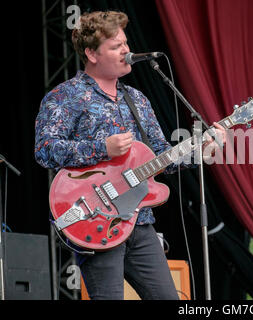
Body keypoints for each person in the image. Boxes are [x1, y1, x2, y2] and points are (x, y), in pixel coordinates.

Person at [35, 10, 225, 300]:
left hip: (140, 220)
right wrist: (102, 148)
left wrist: (201, 152)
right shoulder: (66, 96)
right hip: (96, 218)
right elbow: (45, 150)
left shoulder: (136, 99)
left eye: (125, 43)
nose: (126, 50)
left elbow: (161, 155)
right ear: (91, 53)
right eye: (116, 46)